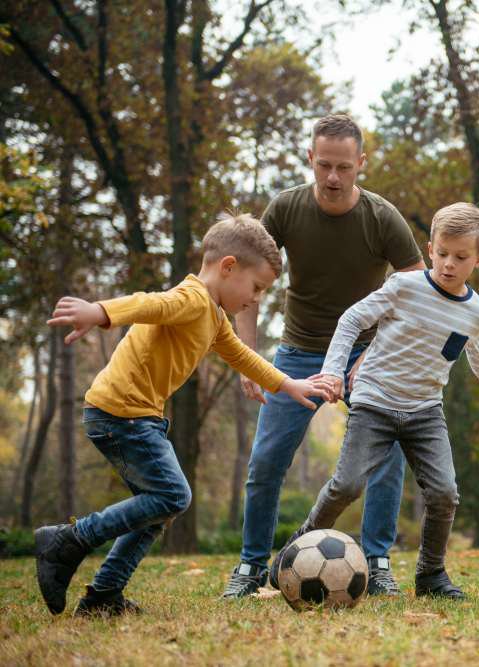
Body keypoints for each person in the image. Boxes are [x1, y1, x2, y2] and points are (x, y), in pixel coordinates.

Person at [36, 213, 334, 617]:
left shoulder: (212, 316)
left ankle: (103, 595)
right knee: (173, 494)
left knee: (157, 507)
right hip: (120, 414)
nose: (256, 298)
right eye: (257, 286)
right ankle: (69, 540)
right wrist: (100, 312)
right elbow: (149, 303)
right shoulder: (192, 299)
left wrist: (288, 384)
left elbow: (241, 356)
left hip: (134, 417)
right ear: (228, 267)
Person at [275, 202, 479, 600]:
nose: (448, 264)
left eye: (460, 258)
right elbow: (351, 320)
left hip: (425, 412)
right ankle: (296, 549)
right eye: (442, 253)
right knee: (347, 485)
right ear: (430, 249)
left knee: (444, 493)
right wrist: (334, 372)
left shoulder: (476, 312)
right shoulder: (403, 287)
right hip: (374, 402)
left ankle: (430, 576)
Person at [223, 114, 426, 599]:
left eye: (344, 167)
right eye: (324, 166)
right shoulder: (286, 209)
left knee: (387, 457)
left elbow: (418, 289)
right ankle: (251, 567)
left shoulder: (382, 218)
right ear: (310, 160)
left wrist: (376, 352)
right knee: (267, 458)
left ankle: (377, 561)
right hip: (300, 350)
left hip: (367, 355)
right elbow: (247, 284)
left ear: (361, 164)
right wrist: (249, 358)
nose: (333, 178)